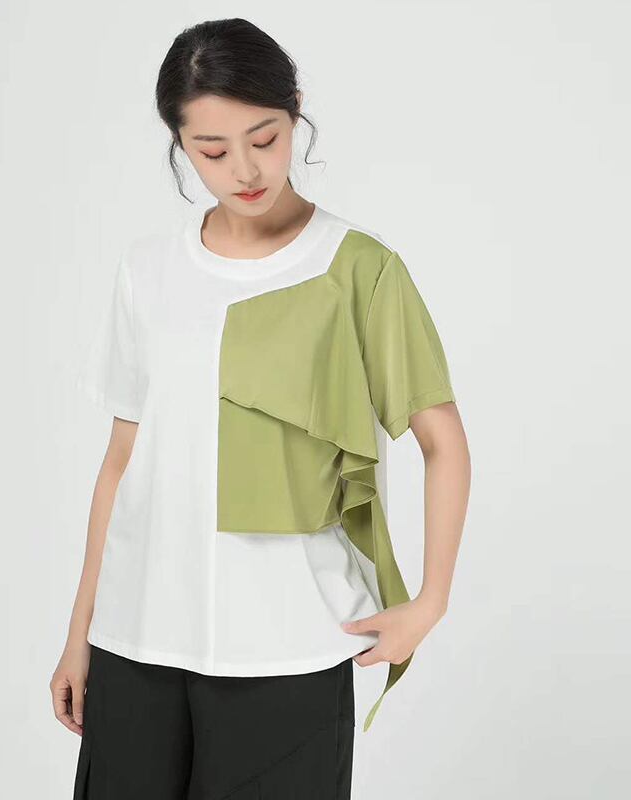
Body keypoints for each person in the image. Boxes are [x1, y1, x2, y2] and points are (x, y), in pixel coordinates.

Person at [51, 17, 471, 800]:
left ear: (295, 110)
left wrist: (430, 602)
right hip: (135, 643)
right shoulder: (147, 271)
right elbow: (120, 465)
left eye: (265, 138)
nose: (244, 169)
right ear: (180, 144)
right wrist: (81, 635)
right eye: (212, 151)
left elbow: (442, 441)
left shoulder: (358, 269)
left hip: (289, 648)